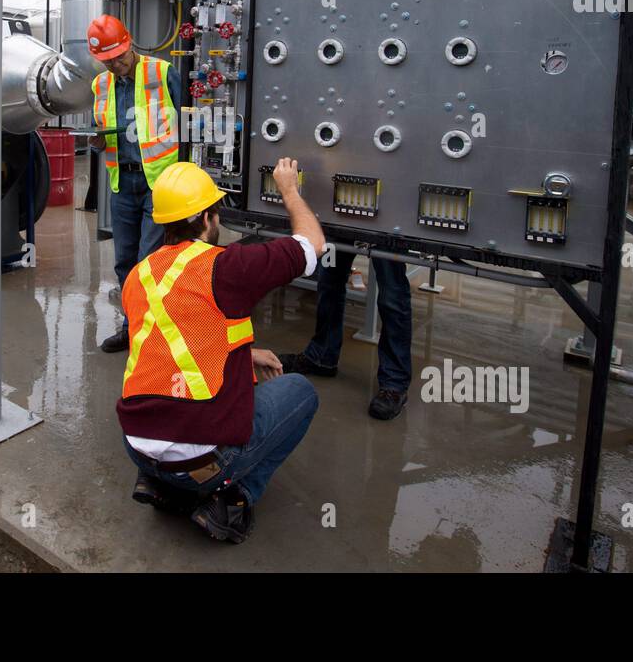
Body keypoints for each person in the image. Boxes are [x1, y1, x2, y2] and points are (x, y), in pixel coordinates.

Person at [118, 158, 326, 544]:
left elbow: (170, 341)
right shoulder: (228, 267)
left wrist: (245, 353)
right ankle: (231, 501)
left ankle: (159, 483)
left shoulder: (139, 275)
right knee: (301, 392)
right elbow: (313, 244)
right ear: (209, 218)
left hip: (136, 447)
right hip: (204, 463)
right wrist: (289, 190)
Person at [86, 14, 183, 353]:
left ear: (129, 44)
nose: (115, 65)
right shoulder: (100, 85)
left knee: (149, 260)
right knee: (124, 262)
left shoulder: (162, 73)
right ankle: (132, 329)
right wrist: (96, 142)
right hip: (121, 183)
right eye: (108, 61)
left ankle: (153, 335)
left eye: (119, 57)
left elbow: (189, 123)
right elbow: (99, 132)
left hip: (159, 184)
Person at [279, 247, 414, 420]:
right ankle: (322, 357)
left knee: (392, 294)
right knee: (329, 280)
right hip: (342, 224)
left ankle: (395, 383)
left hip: (387, 230)